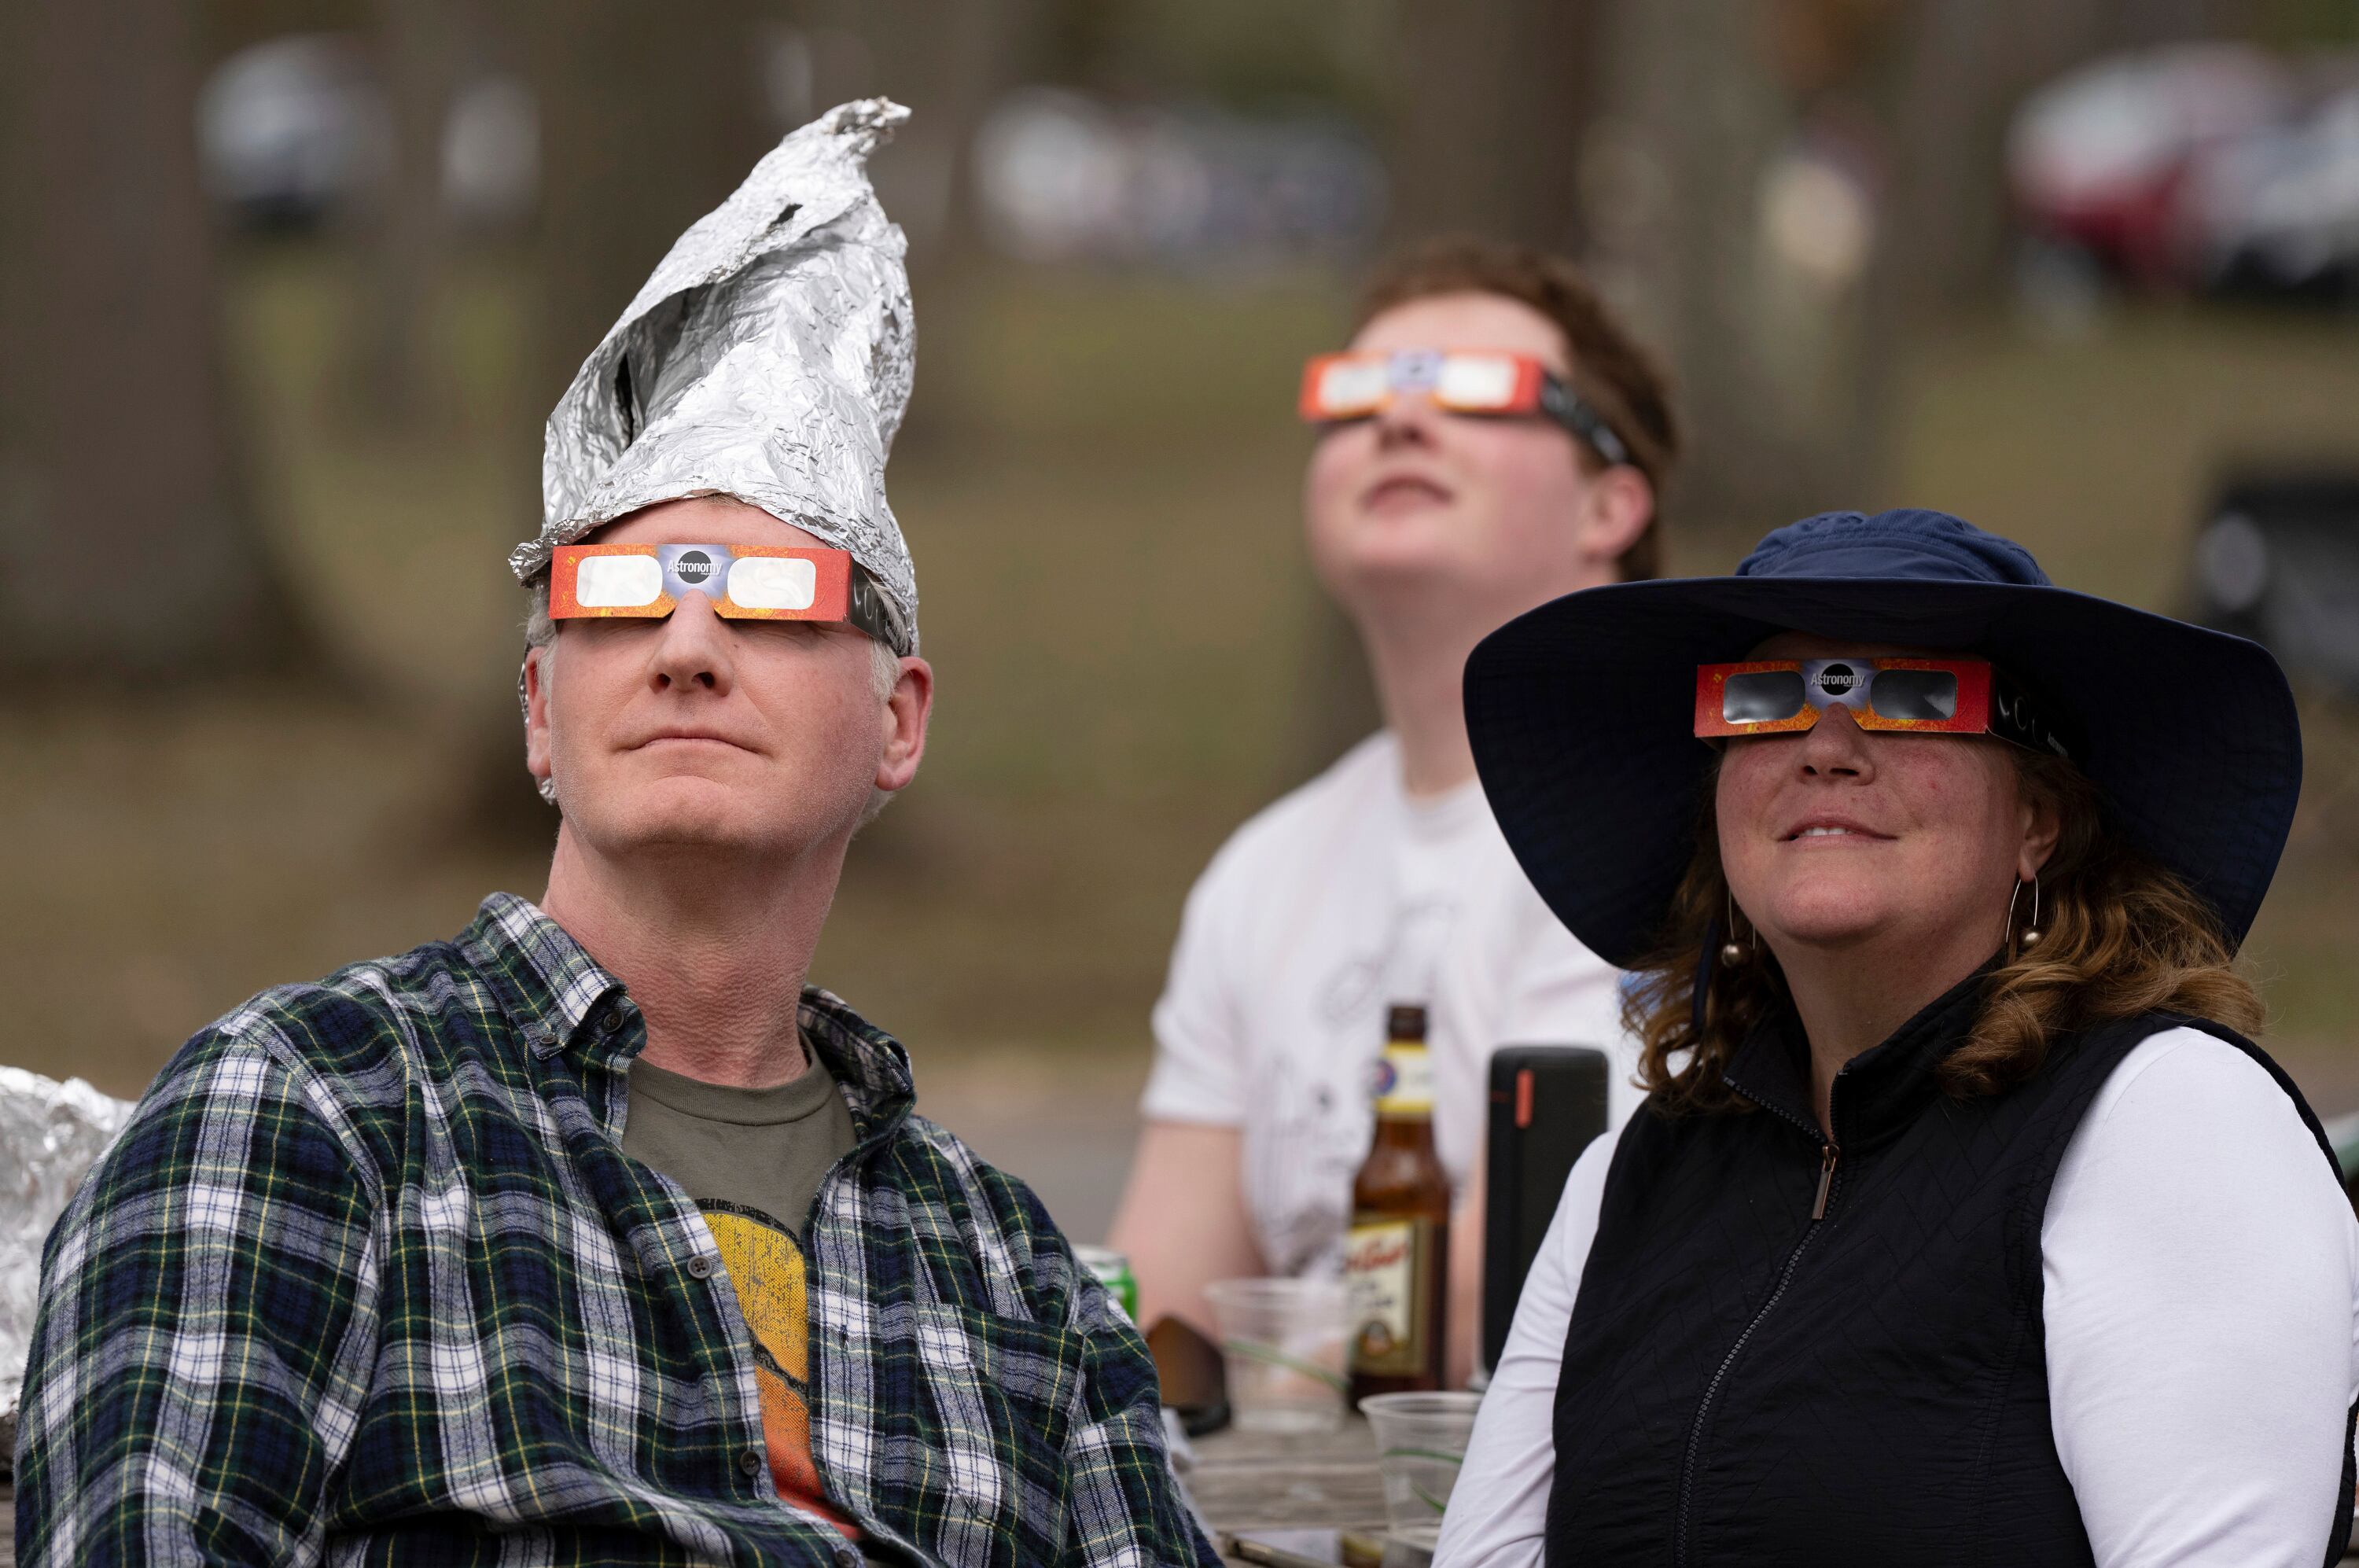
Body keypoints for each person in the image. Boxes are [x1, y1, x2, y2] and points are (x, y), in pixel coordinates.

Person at [13, 101, 1216, 1568]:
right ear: (539, 709)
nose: (688, 647)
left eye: (770, 598)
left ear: (898, 719)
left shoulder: (1012, 1272)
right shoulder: (311, 1114)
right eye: (619, 597)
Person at [1434, 507, 2359, 1566]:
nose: (1827, 746)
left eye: (1916, 696)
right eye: (1764, 700)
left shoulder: (2169, 1126)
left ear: (2039, 821)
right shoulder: (1628, 1178)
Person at [1108, 239, 1681, 1382]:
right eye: (1357, 393)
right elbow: (1156, 1313)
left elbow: (1519, 1278)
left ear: (1610, 502)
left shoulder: (1679, 826)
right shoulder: (1264, 871)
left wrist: (1250, 1382)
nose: (1401, 419)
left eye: (1475, 391)